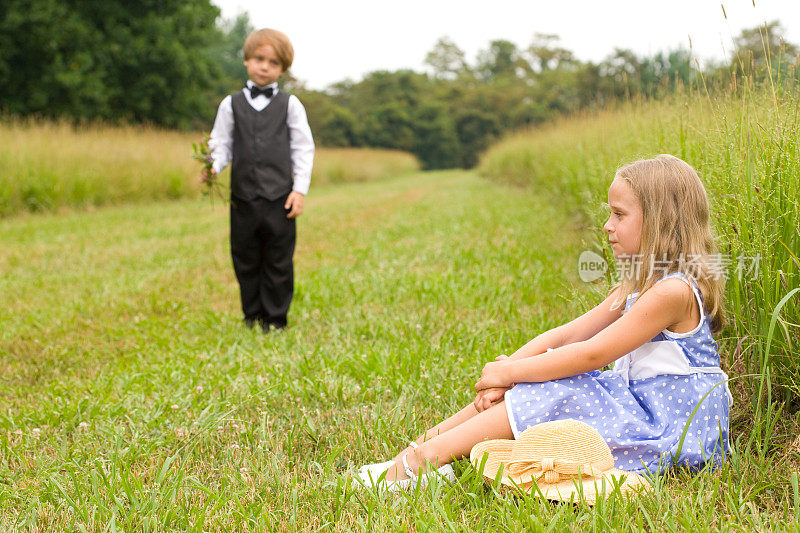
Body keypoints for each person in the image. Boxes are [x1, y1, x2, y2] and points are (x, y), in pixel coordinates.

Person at [357, 155, 731, 490]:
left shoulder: (673, 291)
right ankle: (414, 454)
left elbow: (591, 354)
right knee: (535, 381)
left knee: (558, 385)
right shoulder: (636, 285)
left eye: (619, 214)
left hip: (670, 430)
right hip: (640, 407)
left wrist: (513, 374)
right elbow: (570, 333)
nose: (607, 226)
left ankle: (422, 463)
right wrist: (505, 373)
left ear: (660, 220)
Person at [202, 28, 314, 331]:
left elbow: (303, 149)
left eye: (274, 63)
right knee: (245, 258)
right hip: (243, 199)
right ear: (247, 60)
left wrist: (299, 190)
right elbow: (221, 143)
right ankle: (251, 315)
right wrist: (212, 166)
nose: (265, 67)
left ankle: (275, 319)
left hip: (280, 198)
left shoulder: (290, 106)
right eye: (259, 59)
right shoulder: (231, 104)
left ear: (283, 69)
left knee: (278, 260)